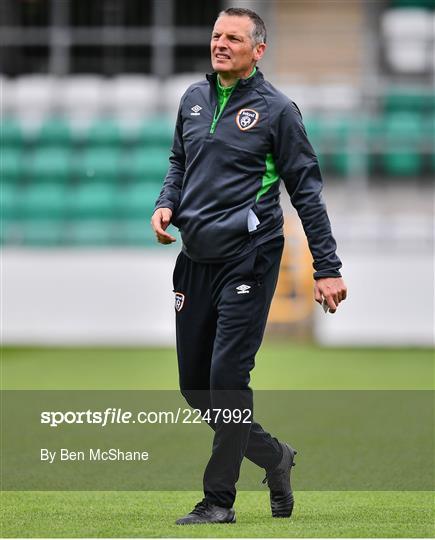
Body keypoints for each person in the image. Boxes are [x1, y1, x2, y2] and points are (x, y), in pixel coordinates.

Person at [151, 7, 347, 525]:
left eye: (233, 38)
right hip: (194, 259)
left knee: (227, 379)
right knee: (195, 389)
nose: (221, 44)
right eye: (217, 35)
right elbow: (178, 161)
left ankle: (218, 501)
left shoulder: (278, 110)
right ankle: (274, 456)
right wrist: (166, 201)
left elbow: (307, 190)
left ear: (258, 50)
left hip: (249, 259)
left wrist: (326, 267)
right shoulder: (192, 99)